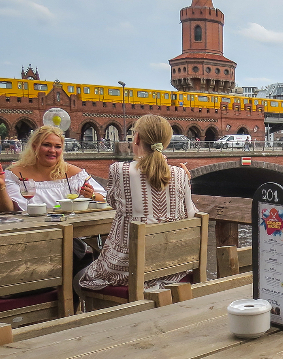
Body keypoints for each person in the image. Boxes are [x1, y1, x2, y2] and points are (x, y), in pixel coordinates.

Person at [77, 115, 196, 295]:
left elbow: (113, 203)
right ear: (166, 142)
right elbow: (190, 215)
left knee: (78, 277)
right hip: (173, 266)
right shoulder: (180, 174)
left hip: (128, 268)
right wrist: (186, 183)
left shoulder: (119, 170)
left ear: (137, 138)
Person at [5, 125, 106, 211]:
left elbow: (106, 199)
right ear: (35, 146)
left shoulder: (74, 174)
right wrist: (1, 186)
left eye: (57, 146)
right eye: (46, 145)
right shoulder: (15, 174)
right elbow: (9, 209)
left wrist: (91, 195)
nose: (52, 150)